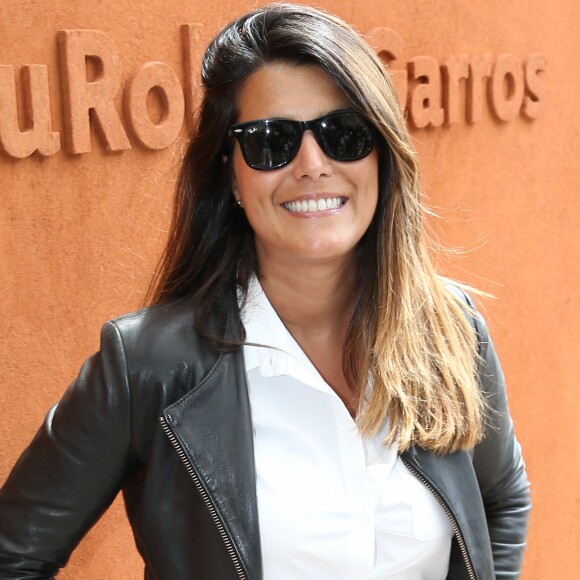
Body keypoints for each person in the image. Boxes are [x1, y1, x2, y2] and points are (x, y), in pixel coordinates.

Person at [0, 3, 531, 579]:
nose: (312, 165)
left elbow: (502, 498)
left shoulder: (451, 329)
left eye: (343, 134)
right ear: (230, 173)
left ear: (382, 154)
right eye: (271, 140)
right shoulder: (146, 368)